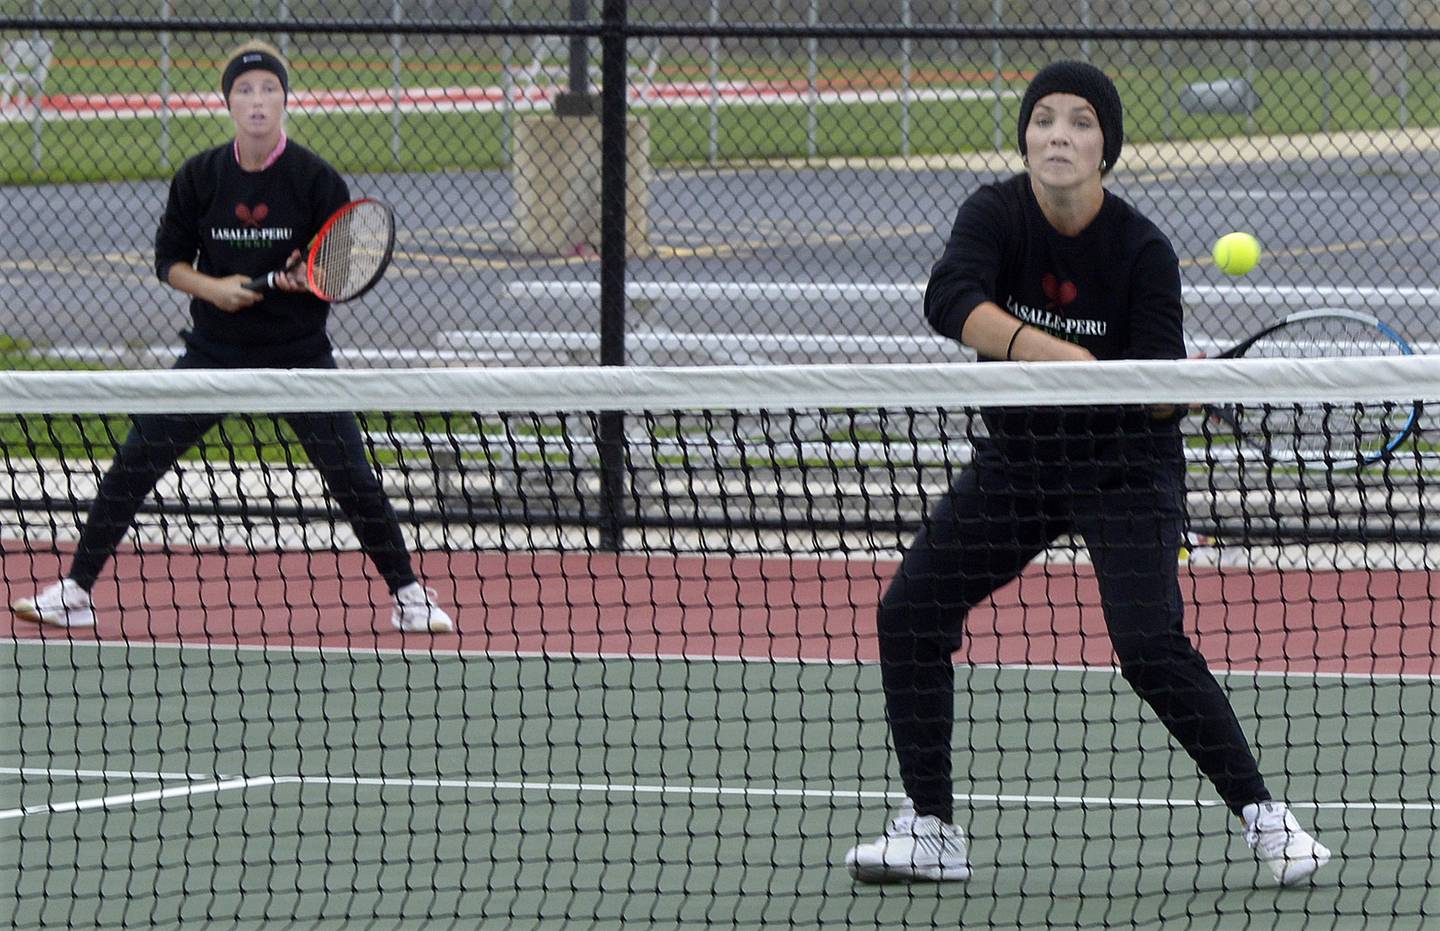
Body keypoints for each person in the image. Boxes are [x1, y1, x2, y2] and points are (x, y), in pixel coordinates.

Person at [843, 61, 1330, 886]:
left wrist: (1173, 391)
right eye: (1043, 120)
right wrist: (1066, 357)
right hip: (1021, 462)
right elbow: (949, 297)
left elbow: (1153, 400)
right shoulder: (994, 213)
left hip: (1124, 469)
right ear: (1027, 136)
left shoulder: (1143, 249)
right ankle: (930, 828)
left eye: (1079, 123)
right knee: (910, 611)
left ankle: (1270, 820)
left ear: (1106, 148)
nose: (1057, 135)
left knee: (1146, 644)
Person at [11, 40, 454, 635]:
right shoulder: (199, 176)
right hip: (212, 353)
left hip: (299, 357)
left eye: (268, 88)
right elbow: (169, 262)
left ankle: (409, 596)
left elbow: (340, 271)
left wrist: (306, 281)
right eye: (244, 90)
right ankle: (75, 591)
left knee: (352, 476)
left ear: (284, 99)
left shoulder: (318, 180)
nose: (256, 100)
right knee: (135, 461)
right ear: (228, 102)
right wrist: (213, 288)